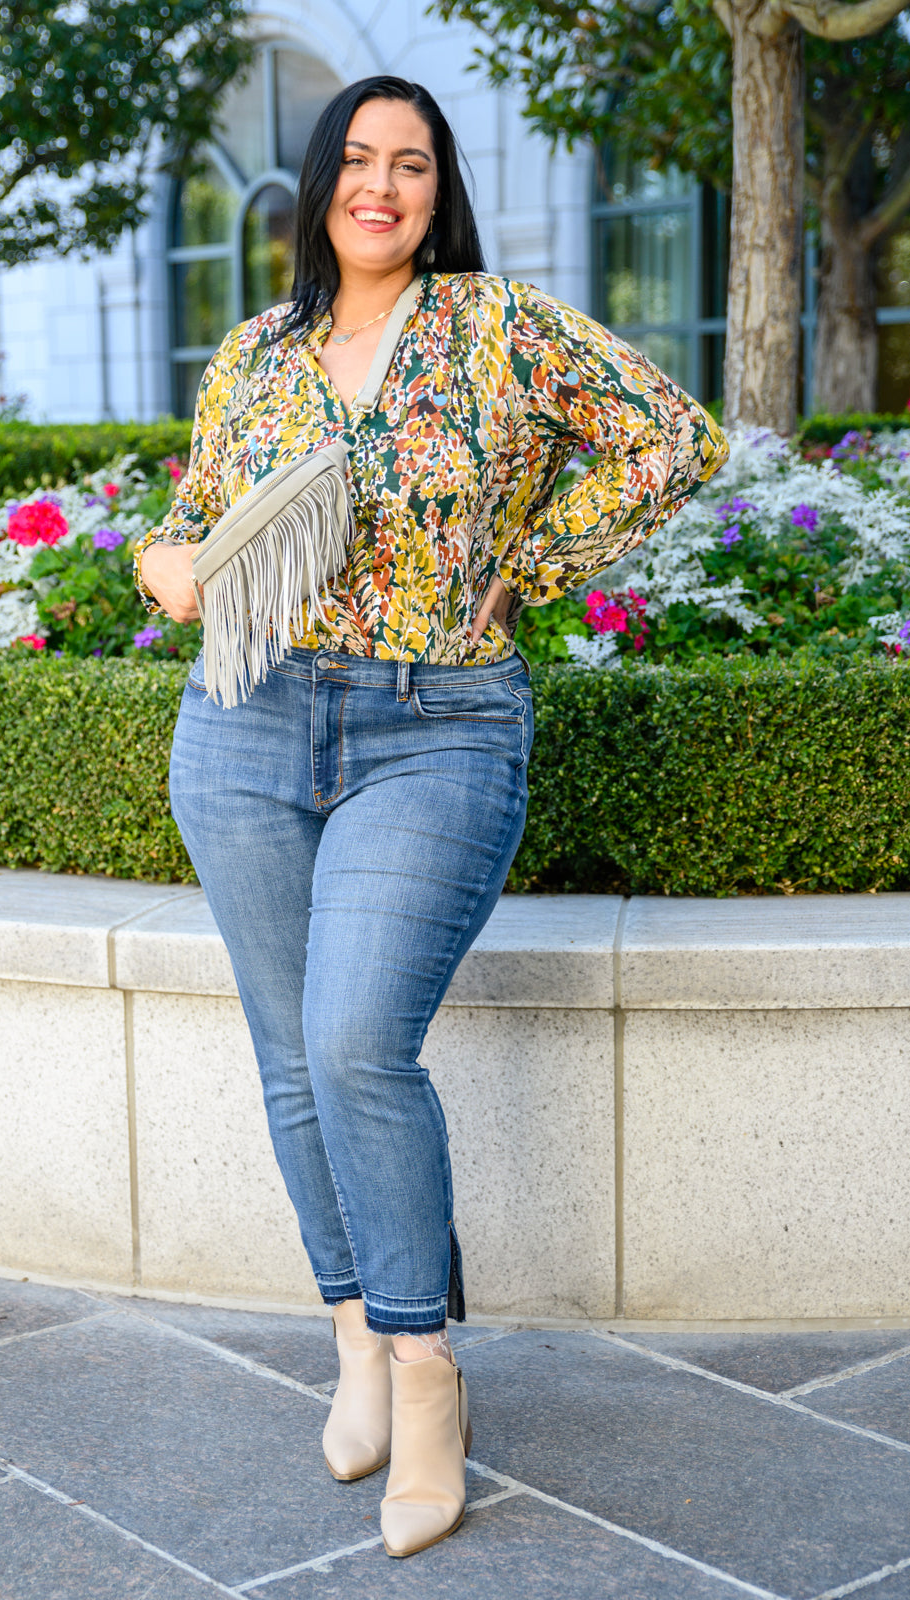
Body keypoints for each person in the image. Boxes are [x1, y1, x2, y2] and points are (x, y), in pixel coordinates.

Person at [135, 75, 728, 1559]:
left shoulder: (499, 327)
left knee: (353, 1042)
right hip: (245, 719)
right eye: (356, 159)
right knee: (291, 1061)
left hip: (436, 723)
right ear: (316, 183)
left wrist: (530, 561)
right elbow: (192, 513)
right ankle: (350, 1338)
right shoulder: (255, 353)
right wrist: (164, 559)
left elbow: (674, 436)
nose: (380, 186)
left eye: (409, 164)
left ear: (437, 189)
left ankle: (424, 1369)